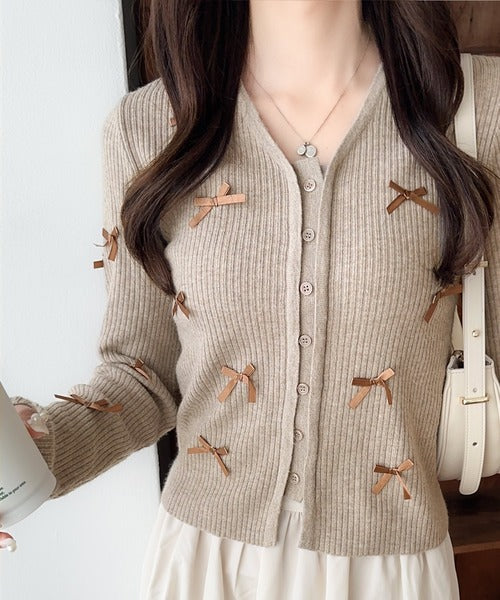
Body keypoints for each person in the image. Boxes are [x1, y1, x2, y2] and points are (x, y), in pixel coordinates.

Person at [4, 1, 500, 598]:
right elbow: (143, 376)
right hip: (205, 567)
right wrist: (38, 450)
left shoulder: (477, 109)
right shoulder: (148, 128)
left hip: (391, 571)